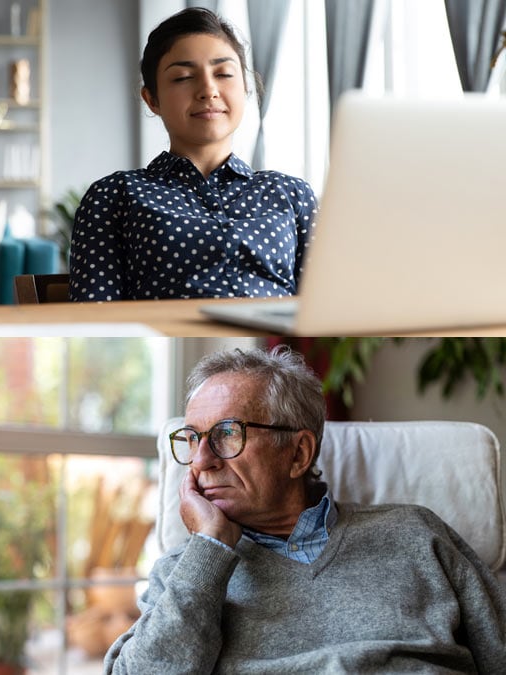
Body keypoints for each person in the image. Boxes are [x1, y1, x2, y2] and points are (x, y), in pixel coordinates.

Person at [103, 346, 506, 673]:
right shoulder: (186, 573)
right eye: (192, 438)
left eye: (227, 434)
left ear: (298, 454)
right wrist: (208, 549)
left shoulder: (417, 534)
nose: (201, 460)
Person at [69, 8, 317, 302]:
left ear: (246, 87)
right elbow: (96, 319)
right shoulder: (114, 196)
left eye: (223, 73)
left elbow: (327, 313)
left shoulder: (291, 194)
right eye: (183, 77)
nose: (208, 90)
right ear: (152, 99)